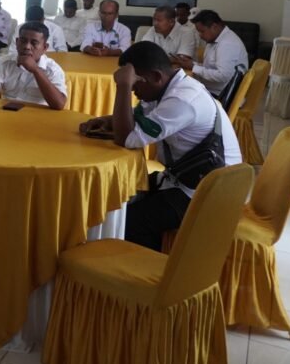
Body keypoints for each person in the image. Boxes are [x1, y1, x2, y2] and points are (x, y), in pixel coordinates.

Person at [79, 41, 242, 251]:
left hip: (208, 193)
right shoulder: (166, 88)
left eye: (136, 84)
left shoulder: (182, 100)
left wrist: (123, 86)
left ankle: (149, 267)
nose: (134, 91)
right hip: (186, 177)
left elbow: (126, 138)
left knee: (130, 222)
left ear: (156, 76)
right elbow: (137, 118)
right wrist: (107, 120)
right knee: (117, 194)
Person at [0, 22, 68, 110]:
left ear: (45, 47)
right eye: (23, 41)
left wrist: (35, 70)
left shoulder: (53, 69)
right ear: (17, 42)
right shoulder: (5, 62)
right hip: (6, 114)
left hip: (37, 118)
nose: (27, 47)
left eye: (34, 43)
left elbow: (59, 104)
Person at [172, 10, 249, 99]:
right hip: (211, 89)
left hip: (221, 95)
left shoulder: (227, 43)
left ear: (214, 27)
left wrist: (193, 67)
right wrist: (192, 64)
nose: (200, 35)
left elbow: (223, 76)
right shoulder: (214, 39)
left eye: (202, 31)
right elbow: (211, 67)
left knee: (177, 95)